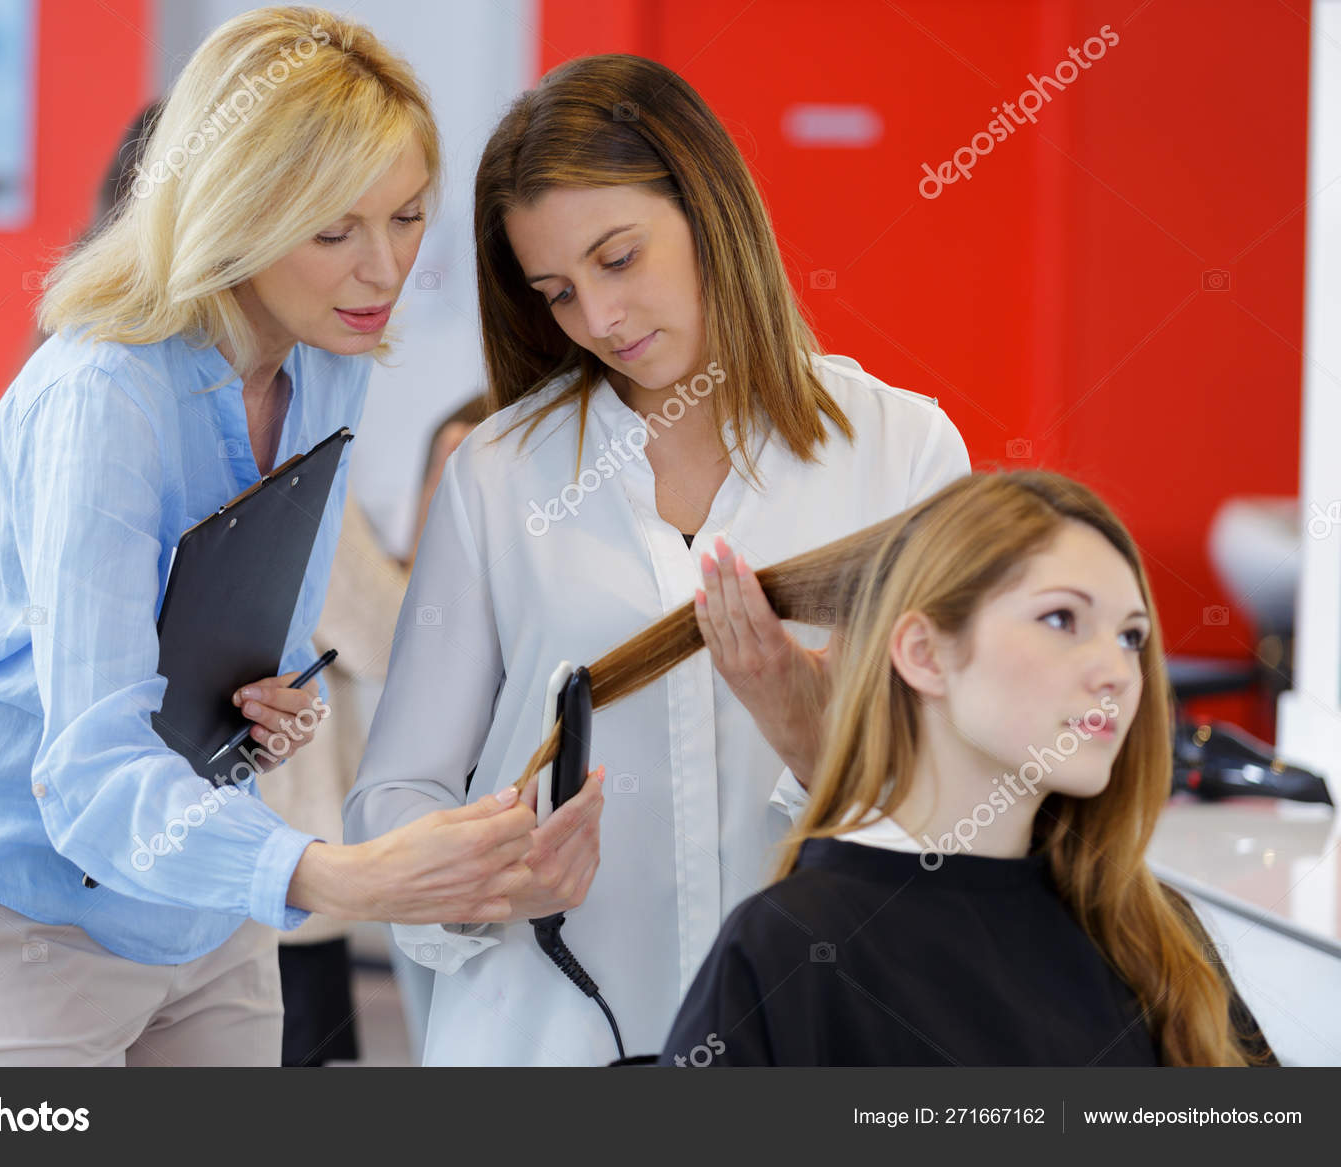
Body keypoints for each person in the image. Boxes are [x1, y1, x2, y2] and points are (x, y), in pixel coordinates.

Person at [0, 7, 534, 1068]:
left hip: (197, 898)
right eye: (333, 230)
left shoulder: (328, 360)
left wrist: (266, 708)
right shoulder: (105, 398)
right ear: (236, 213)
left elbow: (255, 633)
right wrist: (341, 873)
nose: (383, 269)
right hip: (17, 903)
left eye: (406, 218)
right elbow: (86, 772)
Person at [343, 53, 971, 1065]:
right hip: (540, 1040)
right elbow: (393, 797)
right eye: (555, 291)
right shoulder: (498, 475)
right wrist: (493, 868)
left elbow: (971, 807)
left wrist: (816, 746)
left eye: (619, 259)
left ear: (707, 207)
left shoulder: (902, 453)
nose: (599, 320)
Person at [602, 470, 1276, 1066]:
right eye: (1063, 618)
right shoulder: (790, 949)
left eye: (1131, 636)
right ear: (924, 652)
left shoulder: (1153, 930)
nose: (1116, 672)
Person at [261, 392, 488, 1066]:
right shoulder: (297, 469)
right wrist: (441, 530)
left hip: (274, 850)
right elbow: (387, 635)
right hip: (282, 851)